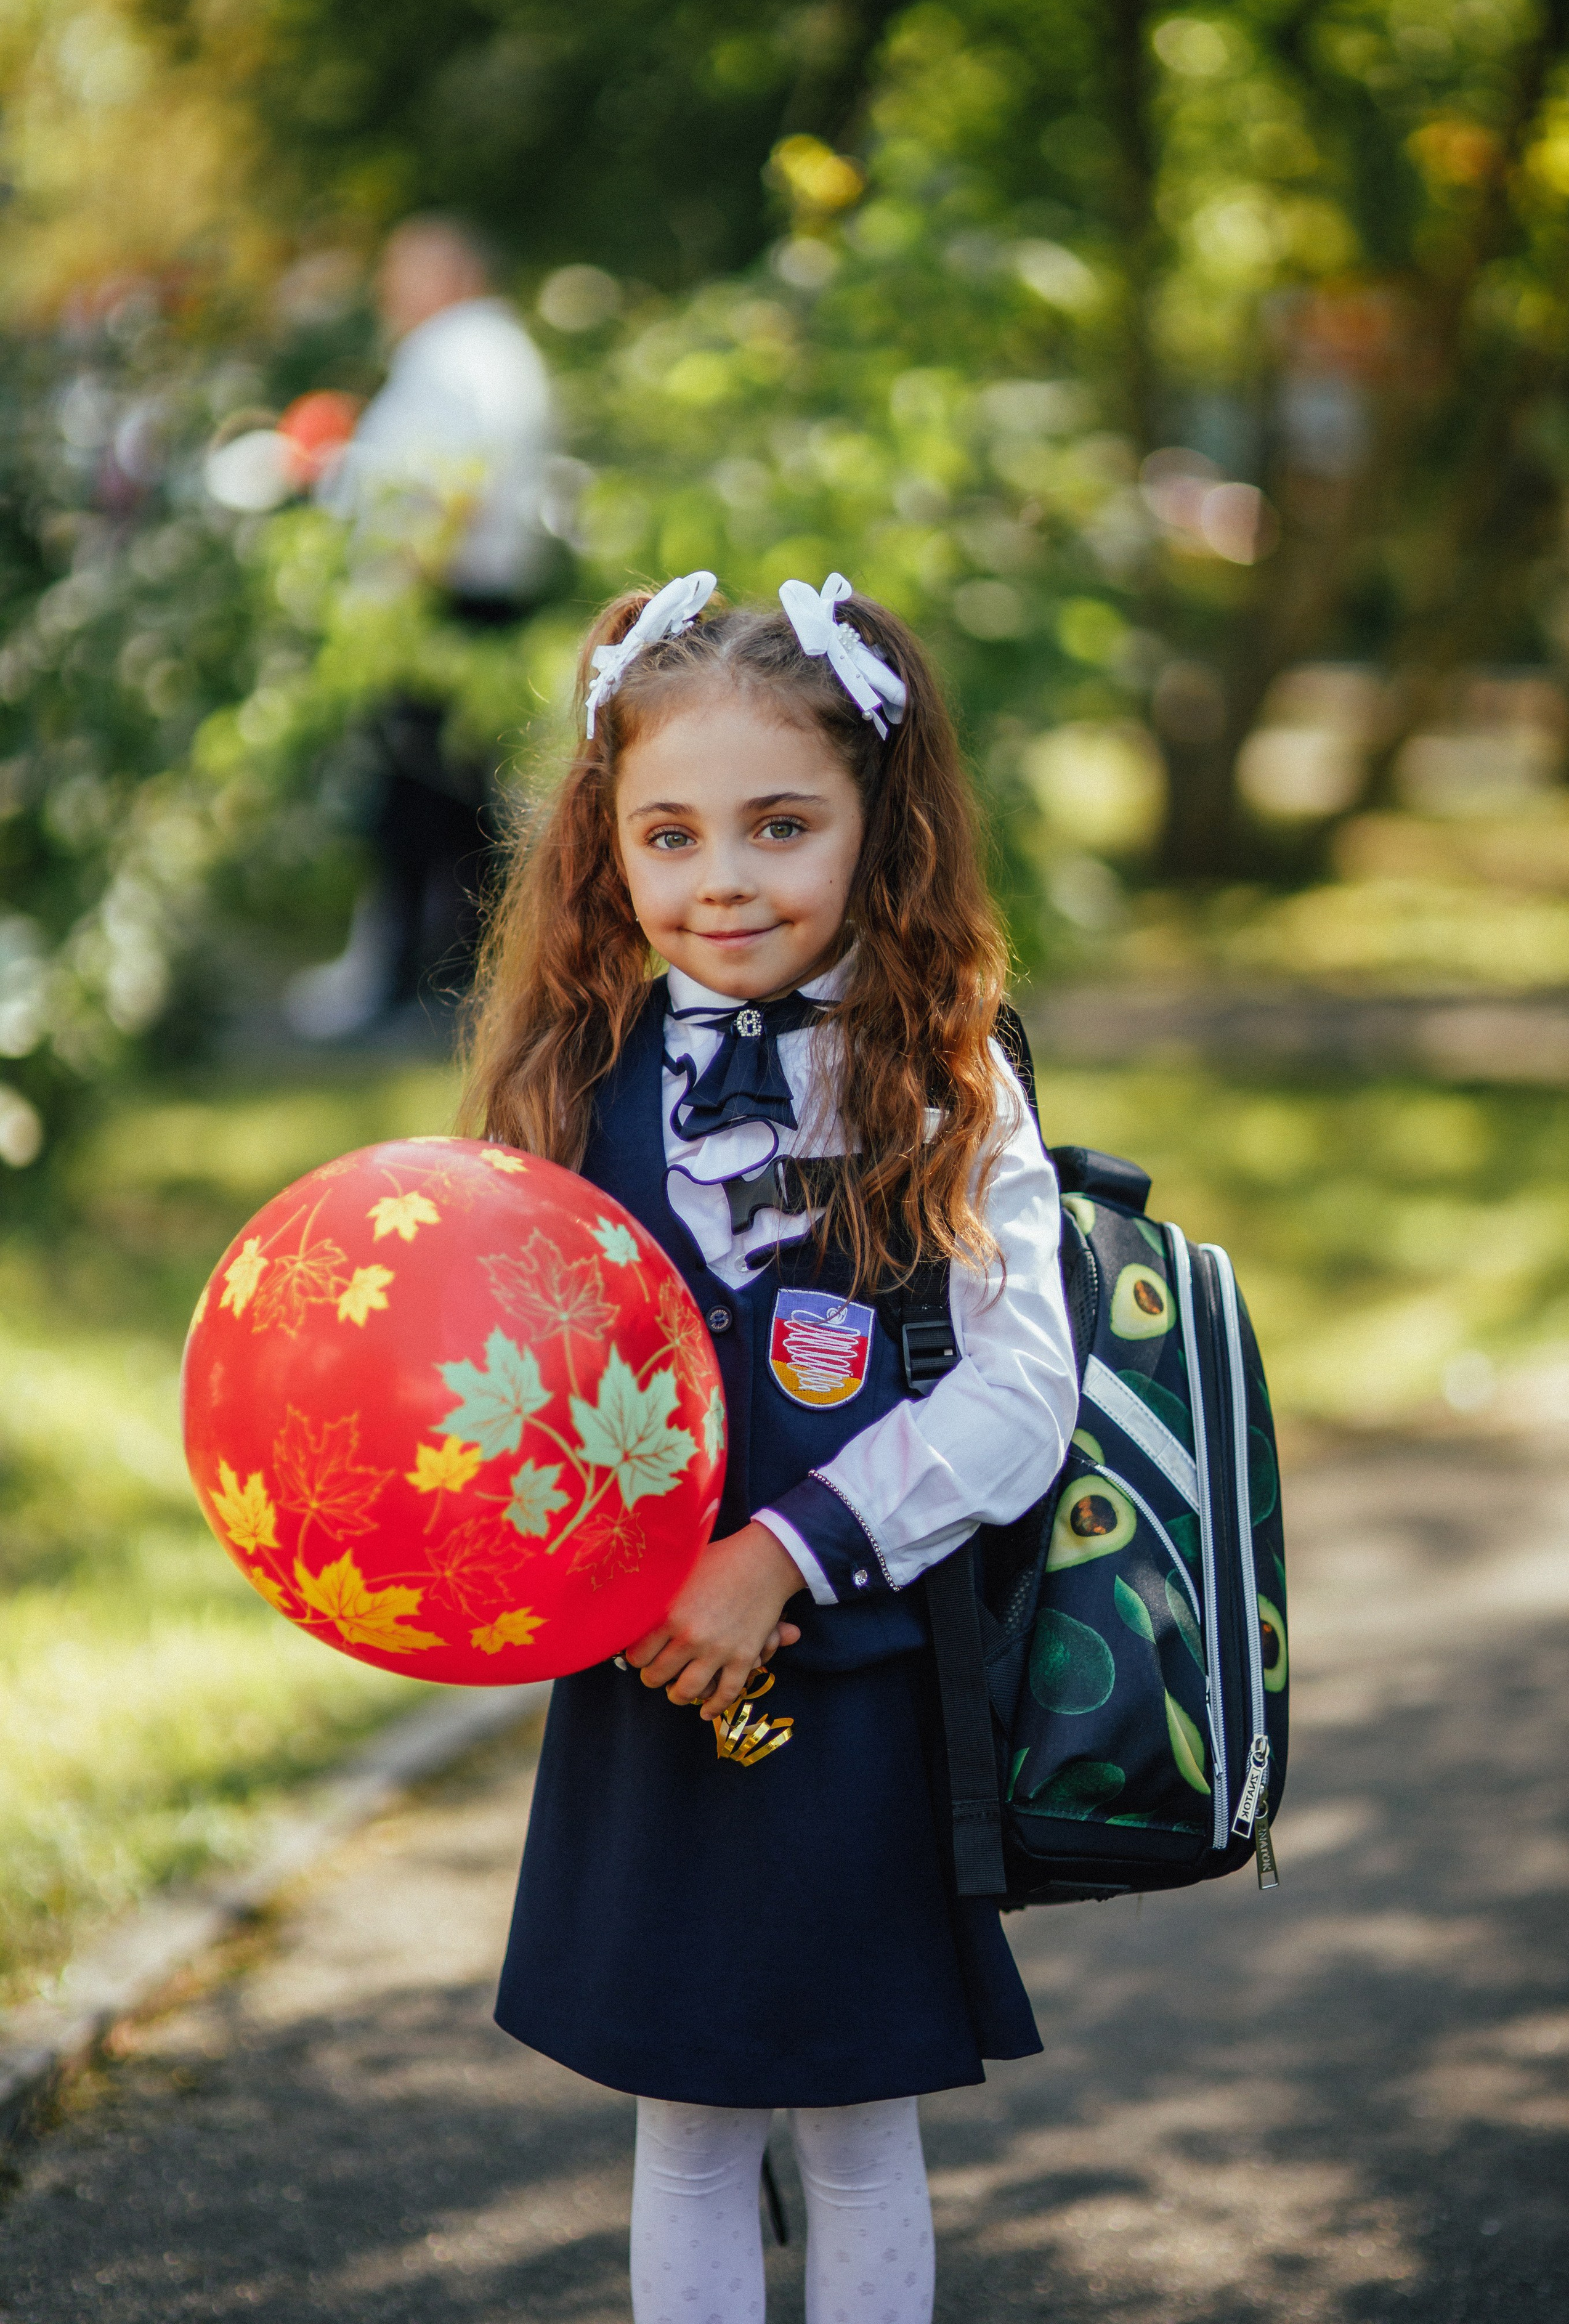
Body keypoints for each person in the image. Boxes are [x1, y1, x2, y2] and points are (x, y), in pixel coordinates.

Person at [463, 570, 1080, 2324]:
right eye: (669, 836)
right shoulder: (568, 1077)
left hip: (865, 1680)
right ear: (609, 850)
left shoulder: (949, 1077)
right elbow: (500, 1374)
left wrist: (781, 1551)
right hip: (646, 1684)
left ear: (880, 826)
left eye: (781, 825)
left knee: (862, 2125)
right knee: (685, 2126)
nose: (722, 880)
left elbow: (1022, 1392)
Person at [286, 215, 557, 1039]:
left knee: (426, 798)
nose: (387, 288)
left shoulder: (463, 352)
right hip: (455, 598)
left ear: (455, 274)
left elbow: (461, 480)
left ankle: (418, 984)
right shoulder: (482, 351)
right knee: (453, 797)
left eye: (403, 270)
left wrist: (404, 585)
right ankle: (450, 980)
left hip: (441, 603)